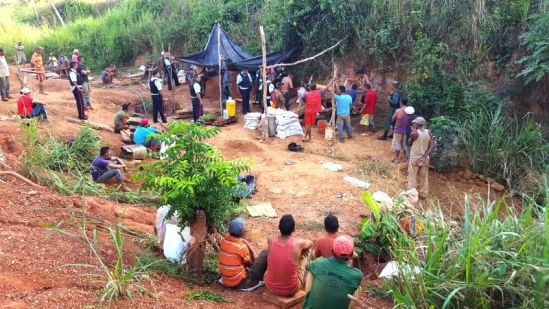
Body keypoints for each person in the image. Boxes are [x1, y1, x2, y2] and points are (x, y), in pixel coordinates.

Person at [303, 235, 363, 309]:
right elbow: (357, 275)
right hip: (351, 277)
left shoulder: (318, 263)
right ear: (351, 254)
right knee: (357, 286)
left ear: (332, 250)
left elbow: (306, 266)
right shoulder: (356, 275)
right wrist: (356, 258)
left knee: (312, 272)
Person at [264, 214, 314, 297]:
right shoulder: (297, 243)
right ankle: (306, 284)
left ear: (279, 227)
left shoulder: (271, 240)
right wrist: (301, 250)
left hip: (270, 286)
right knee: (307, 251)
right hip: (291, 290)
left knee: (269, 254)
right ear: (294, 229)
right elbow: (311, 243)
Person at [219, 217, 268, 290]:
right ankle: (266, 278)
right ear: (242, 232)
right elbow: (250, 263)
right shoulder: (241, 247)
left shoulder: (223, 242)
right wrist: (251, 248)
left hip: (226, 280)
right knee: (265, 254)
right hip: (240, 283)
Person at [408, 117, 434, 198]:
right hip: (425, 158)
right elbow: (431, 146)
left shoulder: (414, 133)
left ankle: (411, 194)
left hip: (415, 157)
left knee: (412, 176)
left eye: (414, 123)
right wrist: (424, 157)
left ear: (416, 124)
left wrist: (412, 131)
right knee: (424, 176)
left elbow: (408, 144)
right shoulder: (428, 132)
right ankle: (423, 193)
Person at [391, 97, 410, 163]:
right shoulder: (409, 111)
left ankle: (397, 159)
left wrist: (396, 120)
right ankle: (405, 158)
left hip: (398, 129)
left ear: (401, 102)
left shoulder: (398, 110)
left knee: (397, 143)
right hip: (406, 130)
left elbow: (393, 118)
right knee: (405, 144)